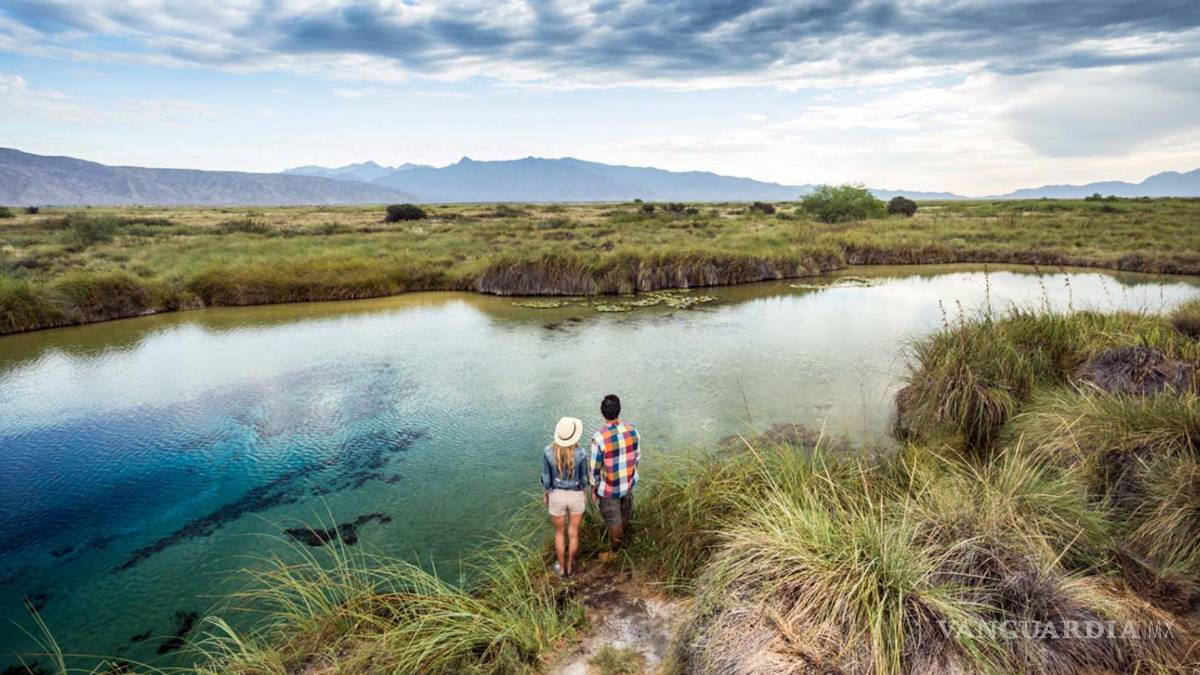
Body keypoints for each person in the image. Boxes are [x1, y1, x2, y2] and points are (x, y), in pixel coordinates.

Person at [589, 394, 639, 561]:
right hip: (628, 482)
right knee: (625, 513)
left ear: (603, 413)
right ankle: (622, 541)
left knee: (613, 520)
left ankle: (615, 552)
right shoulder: (633, 430)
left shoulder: (599, 438)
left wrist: (594, 488)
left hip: (609, 489)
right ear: (619, 410)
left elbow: (594, 469)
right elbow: (637, 457)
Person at [540, 416, 589, 578]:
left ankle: (561, 570)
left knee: (559, 533)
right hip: (575, 496)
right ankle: (571, 567)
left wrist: (547, 494)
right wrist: (584, 493)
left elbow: (547, 480)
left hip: (557, 496)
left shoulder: (548, 451)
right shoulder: (581, 453)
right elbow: (584, 480)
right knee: (573, 533)